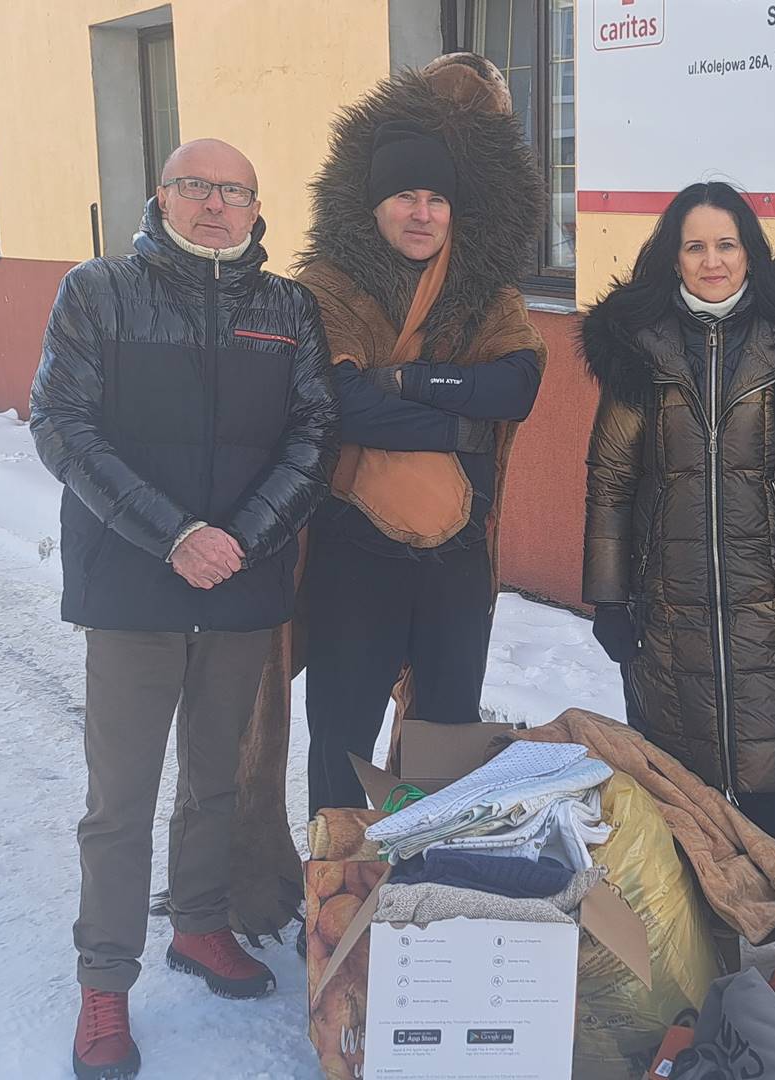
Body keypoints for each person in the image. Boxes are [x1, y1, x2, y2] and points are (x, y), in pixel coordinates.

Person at [218, 55, 548, 948]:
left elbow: (518, 386)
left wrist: (405, 382)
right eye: (406, 196)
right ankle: (336, 905)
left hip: (456, 557)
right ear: (374, 205)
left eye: (437, 199)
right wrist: (459, 417)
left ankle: (420, 902)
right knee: (343, 736)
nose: (422, 213)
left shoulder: (486, 294)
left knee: (444, 737)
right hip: (353, 552)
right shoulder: (330, 287)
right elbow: (340, 402)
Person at [30, 138, 340, 1080]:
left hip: (241, 580)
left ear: (256, 208)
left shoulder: (287, 309)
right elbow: (62, 425)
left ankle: (201, 924)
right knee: (119, 799)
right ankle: (104, 981)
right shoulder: (99, 292)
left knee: (216, 780)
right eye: (196, 187)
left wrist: (239, 537)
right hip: (133, 586)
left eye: (233, 191)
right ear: (161, 196)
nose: (215, 205)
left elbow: (315, 432)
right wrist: (175, 535)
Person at [580, 182, 775, 864]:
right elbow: (611, 478)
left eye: (726, 245)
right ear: (673, 257)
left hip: (770, 598)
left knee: (768, 777)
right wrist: (608, 599)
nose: (712, 261)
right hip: (669, 602)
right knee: (678, 788)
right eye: (694, 246)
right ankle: (699, 920)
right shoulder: (641, 346)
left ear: (750, 251)